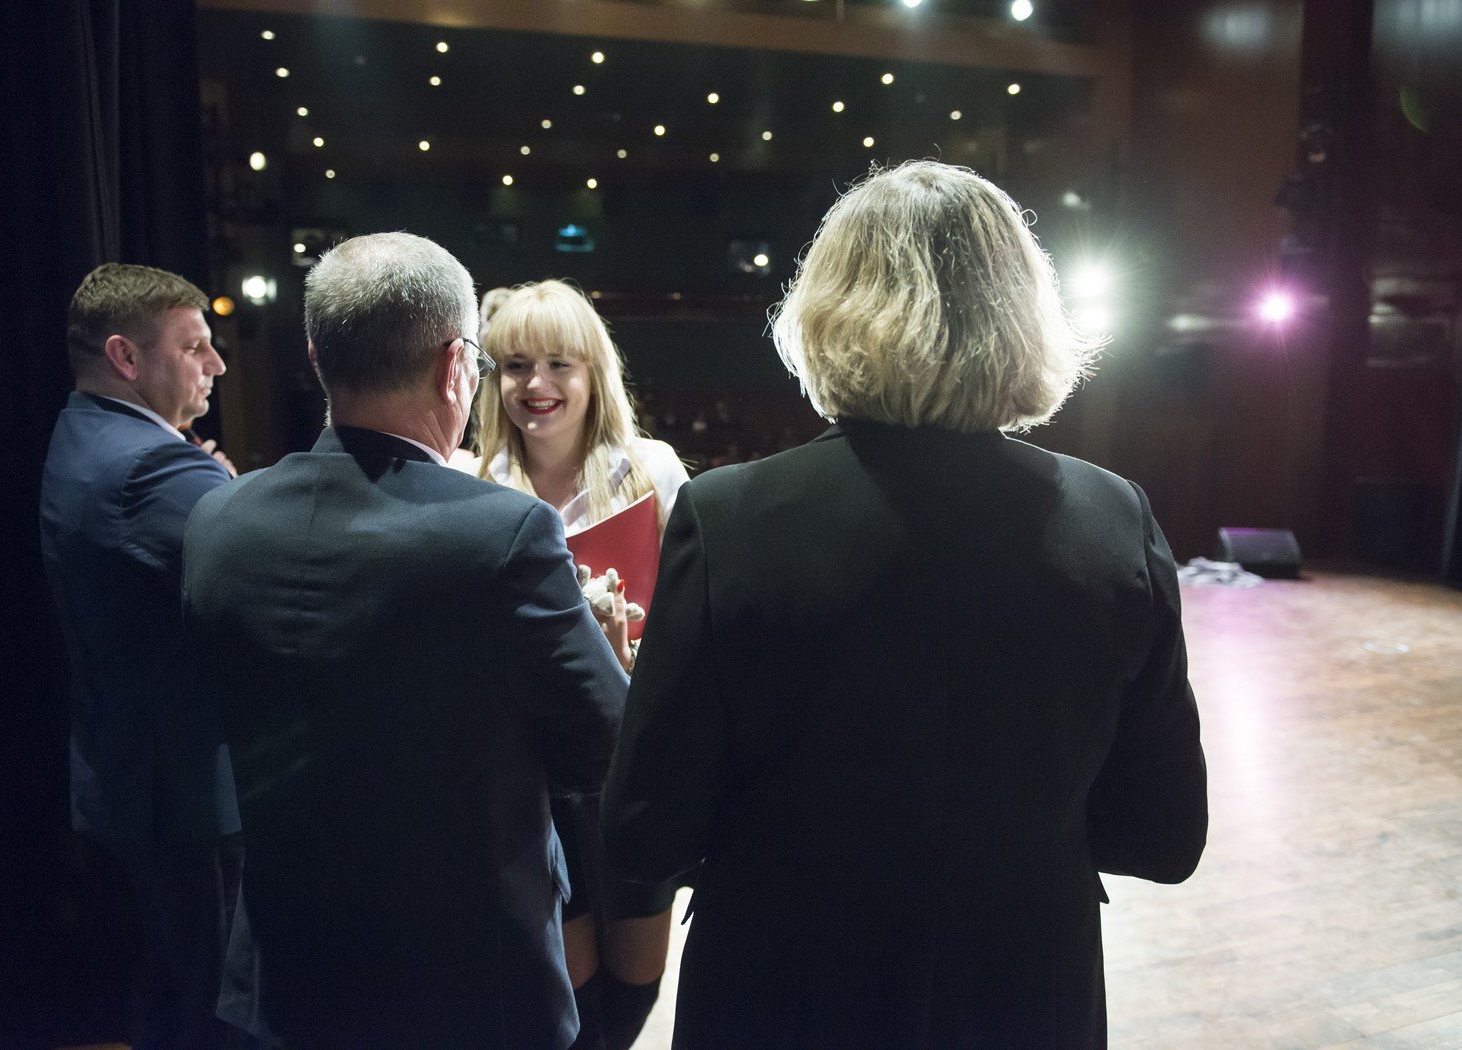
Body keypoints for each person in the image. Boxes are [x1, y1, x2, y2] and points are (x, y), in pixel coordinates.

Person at [601, 161, 1209, 1049]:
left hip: (782, 988)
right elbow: (1163, 835)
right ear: (1022, 315)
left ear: (828, 309)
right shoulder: (1113, 517)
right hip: (1021, 986)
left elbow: (646, 831)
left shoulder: (730, 517)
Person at [181, 233, 627, 1049]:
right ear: (456, 366)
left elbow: (215, 714)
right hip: (467, 977)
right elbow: (602, 748)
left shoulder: (218, 520)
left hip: (288, 970)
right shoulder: (503, 534)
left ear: (318, 357)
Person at [473, 280, 689, 1050]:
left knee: (635, 984)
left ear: (593, 372)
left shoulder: (653, 472)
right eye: (515, 365)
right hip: (525, 776)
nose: (536, 384)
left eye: (558, 363)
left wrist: (632, 648)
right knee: (567, 997)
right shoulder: (470, 483)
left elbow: (694, 621)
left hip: (630, 766)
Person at [40, 262, 241, 1049]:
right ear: (124, 357)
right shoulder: (148, 469)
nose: (215, 363)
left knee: (169, 997)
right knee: (220, 1013)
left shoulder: (84, 431)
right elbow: (270, 558)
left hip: (131, 779)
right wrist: (221, 490)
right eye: (192, 347)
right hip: (186, 796)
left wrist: (214, 484)